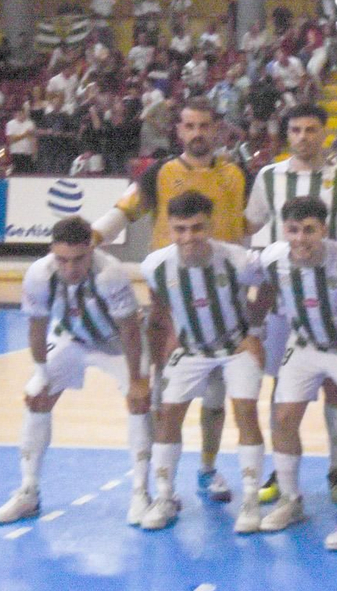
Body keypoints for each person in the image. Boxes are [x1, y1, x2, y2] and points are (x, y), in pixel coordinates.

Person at [91, 98, 252, 504]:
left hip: (225, 300)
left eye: (204, 125)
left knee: (216, 395)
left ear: (217, 129)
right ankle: (160, 483)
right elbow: (122, 214)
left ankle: (208, 468)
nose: (197, 133)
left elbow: (261, 220)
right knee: (165, 393)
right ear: (178, 131)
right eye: (189, 126)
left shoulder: (239, 175)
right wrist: (84, 241)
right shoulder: (159, 174)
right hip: (170, 303)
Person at [246, 104, 337, 504]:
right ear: (287, 135)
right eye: (296, 130)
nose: (303, 136)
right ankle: (280, 473)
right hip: (284, 299)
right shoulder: (269, 177)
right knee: (281, 390)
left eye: (311, 129)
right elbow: (246, 227)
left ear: (325, 133)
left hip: (334, 299)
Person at [0, 216, 152, 526]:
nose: (70, 268)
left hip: (116, 344)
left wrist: (137, 380)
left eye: (78, 259)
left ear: (91, 249)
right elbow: (37, 327)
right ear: (52, 251)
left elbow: (130, 331)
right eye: (62, 260)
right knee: (37, 398)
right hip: (71, 338)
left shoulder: (110, 274)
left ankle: (140, 493)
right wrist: (40, 372)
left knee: (139, 402)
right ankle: (28, 491)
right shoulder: (39, 274)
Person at [138, 191, 267, 533]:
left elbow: (268, 289)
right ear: (169, 229)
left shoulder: (239, 261)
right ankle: (165, 497)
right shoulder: (155, 266)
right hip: (192, 349)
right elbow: (158, 309)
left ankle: (251, 500)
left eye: (196, 228)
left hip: (235, 348)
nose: (188, 237)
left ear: (210, 226)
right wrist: (159, 358)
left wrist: (254, 331)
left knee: (245, 412)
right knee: (167, 417)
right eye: (180, 229)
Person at [256, 196, 337, 532]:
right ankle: (291, 499)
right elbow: (264, 295)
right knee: (284, 418)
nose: (301, 238)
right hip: (301, 346)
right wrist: (249, 332)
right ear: (283, 230)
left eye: (309, 230)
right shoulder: (272, 259)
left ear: (325, 230)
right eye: (293, 230)